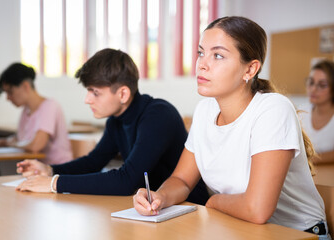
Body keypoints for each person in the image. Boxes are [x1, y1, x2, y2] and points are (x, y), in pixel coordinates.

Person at [133, 16, 330, 239]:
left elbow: (257, 209)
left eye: (217, 55)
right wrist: (159, 197)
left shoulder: (273, 109)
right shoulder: (204, 111)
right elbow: (182, 180)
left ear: (250, 69)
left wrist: (213, 201)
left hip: (299, 234)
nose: (202, 64)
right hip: (240, 230)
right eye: (201, 52)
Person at [14, 48, 209, 204]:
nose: (87, 100)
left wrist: (54, 183)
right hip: (149, 207)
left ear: (123, 94)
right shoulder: (116, 120)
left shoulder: (158, 115)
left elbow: (126, 181)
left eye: (95, 93)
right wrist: (49, 170)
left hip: (187, 207)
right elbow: (93, 162)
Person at [0, 63, 73, 165]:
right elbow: (22, 140)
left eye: (10, 92)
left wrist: (12, 144)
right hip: (38, 170)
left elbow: (35, 145)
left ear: (25, 86)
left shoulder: (49, 106)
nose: (8, 98)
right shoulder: (26, 111)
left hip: (57, 170)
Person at [301, 60, 334, 165]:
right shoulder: (301, 112)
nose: (313, 89)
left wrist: (312, 159)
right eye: (311, 82)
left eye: (322, 85)